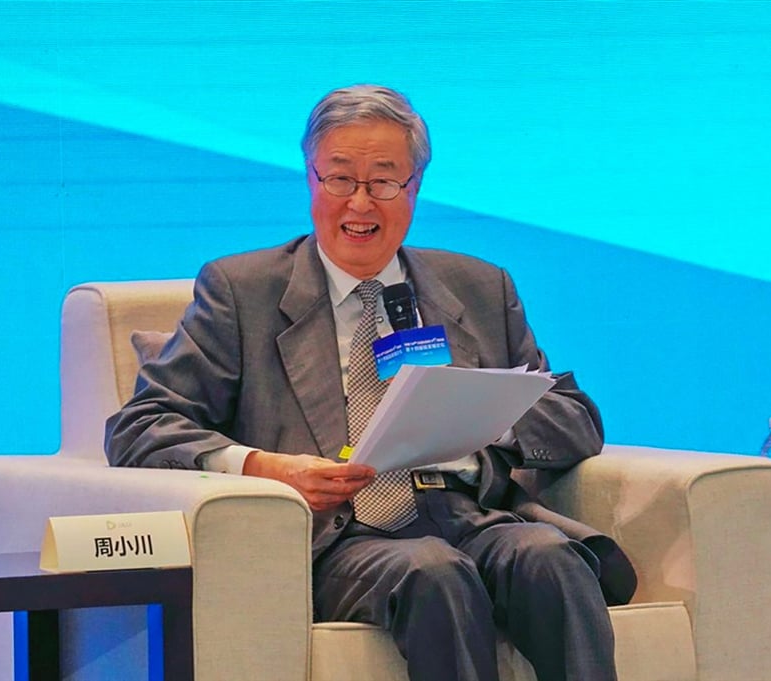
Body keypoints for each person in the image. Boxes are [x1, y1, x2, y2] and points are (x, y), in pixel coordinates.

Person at [105, 84, 634, 681]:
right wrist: (267, 468)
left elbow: (574, 417)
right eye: (339, 179)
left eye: (384, 181)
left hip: (465, 512)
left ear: (414, 190)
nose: (360, 203)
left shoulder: (480, 287)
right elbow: (141, 428)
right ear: (310, 180)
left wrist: (480, 422)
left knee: (550, 558)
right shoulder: (240, 291)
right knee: (435, 573)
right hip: (339, 535)